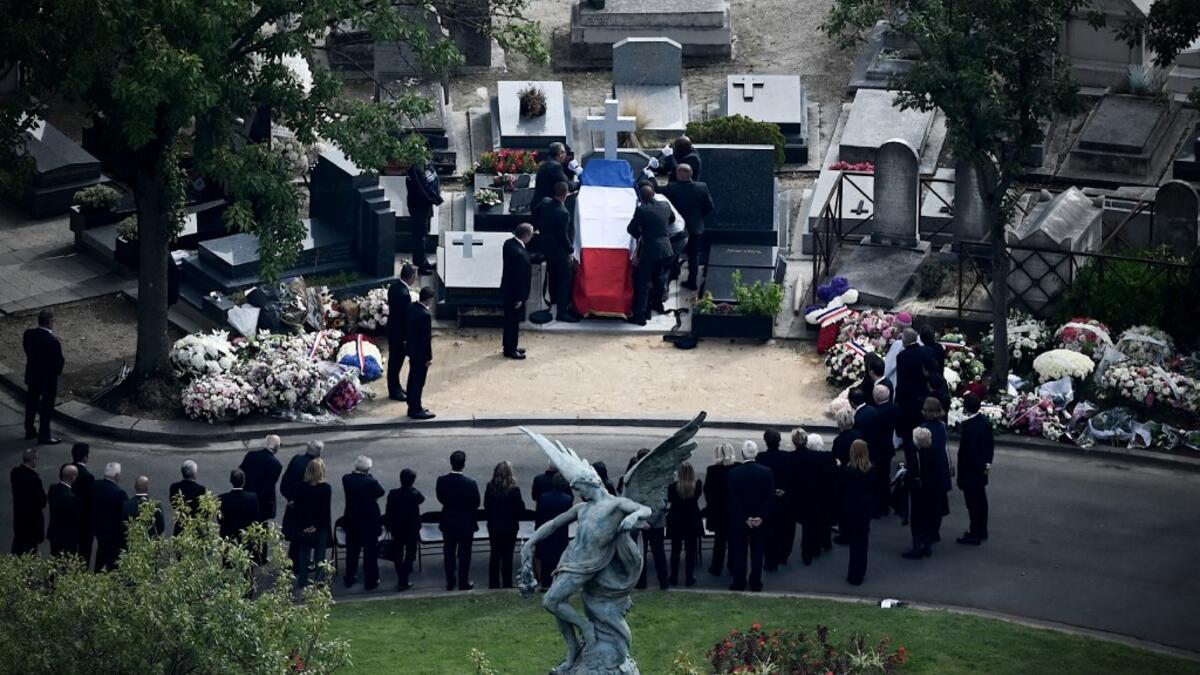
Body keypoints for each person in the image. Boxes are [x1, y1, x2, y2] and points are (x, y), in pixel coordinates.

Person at [902, 399, 951, 560]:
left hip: (922, 480)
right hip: (937, 477)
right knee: (932, 511)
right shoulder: (942, 427)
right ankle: (928, 542)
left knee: (917, 514)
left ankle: (917, 547)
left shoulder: (921, 432)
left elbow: (914, 459)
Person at [727, 441, 774, 592]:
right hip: (759, 519)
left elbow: (733, 500)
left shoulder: (734, 473)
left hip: (741, 519)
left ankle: (739, 581)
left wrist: (745, 518)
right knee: (757, 552)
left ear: (742, 454)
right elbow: (770, 497)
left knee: (740, 552)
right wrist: (761, 517)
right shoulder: (766, 471)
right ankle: (755, 582)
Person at [626, 183, 675, 325]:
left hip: (649, 251)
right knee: (659, 279)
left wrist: (641, 234)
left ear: (641, 197)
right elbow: (671, 219)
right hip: (666, 249)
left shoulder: (642, 210)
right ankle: (657, 305)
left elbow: (631, 229)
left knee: (644, 283)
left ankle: (639, 316)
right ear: (653, 193)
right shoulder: (665, 205)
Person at [659, 163, 714, 289]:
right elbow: (710, 207)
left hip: (677, 228)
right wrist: (699, 218)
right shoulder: (702, 187)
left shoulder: (671, 188)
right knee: (693, 255)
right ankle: (692, 281)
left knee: (673, 252)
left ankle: (673, 274)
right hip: (696, 227)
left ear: (678, 174)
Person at [535, 183, 581, 323]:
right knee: (565, 280)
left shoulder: (544, 202)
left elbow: (536, 214)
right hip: (559, 253)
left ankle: (553, 300)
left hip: (545, 247)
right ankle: (562, 311)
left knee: (553, 276)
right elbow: (563, 236)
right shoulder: (563, 213)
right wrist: (571, 249)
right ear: (565, 194)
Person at [436, 450, 480, 591]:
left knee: (449, 553)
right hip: (466, 523)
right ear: (464, 464)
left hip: (448, 521)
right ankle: (463, 581)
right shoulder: (470, 483)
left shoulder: (442, 481)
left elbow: (441, 498)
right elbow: (476, 502)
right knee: (465, 554)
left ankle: (450, 581)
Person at [792, 428, 836, 565]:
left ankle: (808, 555)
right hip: (819, 495)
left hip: (803, 496)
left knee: (808, 527)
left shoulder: (791, 457)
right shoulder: (819, 457)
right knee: (820, 520)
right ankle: (822, 544)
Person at [956, 394, 995, 545]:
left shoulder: (969, 428)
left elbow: (969, 453)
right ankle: (981, 530)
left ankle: (975, 533)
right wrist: (987, 465)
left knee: (973, 504)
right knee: (981, 502)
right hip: (981, 470)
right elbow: (989, 445)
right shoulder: (984, 422)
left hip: (971, 472)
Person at [342, 455, 384, 590]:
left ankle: (349, 577)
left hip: (352, 520)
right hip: (369, 521)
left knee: (352, 551)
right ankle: (371, 580)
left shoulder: (347, 479)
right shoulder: (371, 481)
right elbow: (380, 492)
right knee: (370, 552)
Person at [756, 429, 795, 571]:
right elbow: (791, 478)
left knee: (769, 530)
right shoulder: (786, 457)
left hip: (767, 498)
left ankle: (770, 559)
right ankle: (782, 555)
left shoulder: (760, 457)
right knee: (783, 528)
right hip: (782, 498)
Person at [23, 309, 64, 445]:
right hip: (47, 380)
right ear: (50, 322)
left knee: (31, 403)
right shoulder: (53, 342)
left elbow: (27, 350)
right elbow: (58, 363)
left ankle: (29, 429)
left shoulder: (29, 334)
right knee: (46, 408)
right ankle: (44, 434)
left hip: (32, 375)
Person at [485, 461, 526, 589]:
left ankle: (494, 583)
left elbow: (486, 505)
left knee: (495, 554)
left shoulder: (490, 487)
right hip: (510, 527)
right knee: (508, 555)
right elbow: (520, 509)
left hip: (494, 526)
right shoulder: (514, 490)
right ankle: (507, 582)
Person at [292, 458, 332, 588]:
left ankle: (302, 581)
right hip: (320, 526)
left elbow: (298, 509)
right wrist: (315, 526)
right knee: (320, 555)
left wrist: (305, 526)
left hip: (304, 525)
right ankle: (319, 581)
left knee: (304, 554)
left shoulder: (299, 487)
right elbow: (324, 511)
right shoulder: (325, 488)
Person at [840, 440, 874, 585]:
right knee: (862, 543)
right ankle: (859, 572)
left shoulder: (849, 471)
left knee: (854, 544)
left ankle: (853, 574)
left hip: (851, 510)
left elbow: (842, 491)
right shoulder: (870, 471)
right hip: (865, 510)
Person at [281, 440, 322, 558]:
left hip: (293, 504)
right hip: (306, 508)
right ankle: (300, 564)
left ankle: (292, 562)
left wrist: (290, 499)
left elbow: (285, 481)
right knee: (305, 536)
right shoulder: (315, 466)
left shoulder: (296, 459)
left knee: (295, 537)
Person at [385, 468, 424, 591]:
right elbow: (422, 499)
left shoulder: (393, 494)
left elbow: (388, 511)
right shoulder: (414, 494)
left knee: (398, 552)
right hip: (411, 528)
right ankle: (405, 576)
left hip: (397, 528)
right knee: (410, 552)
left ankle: (401, 574)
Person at [534, 472, 573, 590]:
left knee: (546, 560)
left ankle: (545, 584)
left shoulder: (543, 498)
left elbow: (539, 515)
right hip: (561, 534)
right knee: (559, 559)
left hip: (547, 533)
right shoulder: (568, 499)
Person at [501, 223, 535, 359]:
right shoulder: (519, 253)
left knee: (510, 321)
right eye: (531, 235)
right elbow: (519, 277)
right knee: (513, 322)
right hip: (514, 294)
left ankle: (509, 346)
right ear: (526, 236)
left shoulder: (509, 243)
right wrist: (520, 297)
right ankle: (510, 349)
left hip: (508, 289)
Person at [666, 461, 703, 587]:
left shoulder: (673, 486)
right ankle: (689, 577)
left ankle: (674, 578)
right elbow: (697, 497)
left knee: (675, 550)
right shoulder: (697, 484)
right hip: (692, 519)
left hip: (676, 519)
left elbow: (670, 500)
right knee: (690, 551)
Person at [405, 157, 444, 274]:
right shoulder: (415, 169)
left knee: (424, 234)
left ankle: (423, 260)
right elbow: (422, 188)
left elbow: (433, 180)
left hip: (425, 205)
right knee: (419, 236)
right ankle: (419, 265)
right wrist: (435, 198)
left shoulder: (425, 164)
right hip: (418, 206)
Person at [703, 442, 736, 576]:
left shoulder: (712, 470)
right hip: (733, 511)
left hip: (718, 511)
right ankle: (733, 566)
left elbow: (708, 492)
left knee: (719, 542)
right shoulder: (737, 467)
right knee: (734, 541)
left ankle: (716, 567)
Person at [894, 328, 932, 445]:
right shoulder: (926, 352)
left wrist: (897, 400)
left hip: (907, 399)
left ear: (905, 340)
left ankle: (910, 462)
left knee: (907, 435)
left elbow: (901, 381)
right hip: (922, 395)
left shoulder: (902, 356)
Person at [386, 263, 416, 401]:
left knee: (394, 362)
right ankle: (394, 390)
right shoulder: (404, 295)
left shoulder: (394, 287)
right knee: (396, 363)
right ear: (411, 277)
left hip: (392, 330)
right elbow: (405, 318)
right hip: (399, 334)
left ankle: (396, 387)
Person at [239, 434, 283, 528]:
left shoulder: (251, 455)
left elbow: (241, 473)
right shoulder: (276, 465)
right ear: (277, 447)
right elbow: (269, 487)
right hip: (261, 503)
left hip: (246, 497)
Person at [405, 287, 436, 420]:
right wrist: (428, 357)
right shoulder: (425, 315)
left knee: (412, 379)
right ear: (429, 299)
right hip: (420, 354)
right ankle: (416, 408)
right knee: (418, 381)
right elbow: (425, 339)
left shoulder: (411, 308)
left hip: (412, 351)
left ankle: (413, 405)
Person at [92, 462, 128, 572]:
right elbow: (123, 515)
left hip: (98, 528)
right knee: (112, 560)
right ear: (117, 476)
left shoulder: (95, 485)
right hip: (114, 533)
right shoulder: (119, 493)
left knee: (101, 553)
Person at [872, 384, 901, 518]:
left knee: (877, 479)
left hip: (877, 449)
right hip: (887, 447)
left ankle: (878, 507)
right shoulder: (894, 408)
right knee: (885, 477)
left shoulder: (875, 413)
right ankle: (885, 504)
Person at [11, 448, 46, 555]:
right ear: (33, 460)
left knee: (19, 544)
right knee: (29, 549)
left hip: (19, 516)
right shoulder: (34, 479)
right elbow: (41, 501)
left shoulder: (15, 472)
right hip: (32, 521)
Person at [531, 142, 578, 218]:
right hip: (544, 209)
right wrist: (580, 183)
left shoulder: (547, 164)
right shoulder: (555, 167)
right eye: (564, 152)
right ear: (560, 154)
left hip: (540, 205)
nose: (566, 155)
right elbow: (569, 186)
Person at [69, 443, 95, 566]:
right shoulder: (88, 477)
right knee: (84, 550)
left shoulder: (66, 469)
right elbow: (90, 500)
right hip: (84, 519)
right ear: (85, 457)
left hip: (70, 517)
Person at [48, 464, 81, 558]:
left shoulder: (53, 488)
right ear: (74, 477)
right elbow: (74, 520)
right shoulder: (72, 498)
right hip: (67, 538)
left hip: (54, 533)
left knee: (54, 560)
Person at [218, 469, 260, 543]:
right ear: (244, 481)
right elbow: (255, 517)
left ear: (231, 481)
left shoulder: (222, 498)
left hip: (228, 534)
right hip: (246, 535)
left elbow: (220, 519)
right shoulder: (252, 497)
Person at [168, 459, 207, 536]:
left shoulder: (174, 487)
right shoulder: (201, 489)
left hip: (180, 525)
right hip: (195, 526)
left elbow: (173, 503)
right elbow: (204, 510)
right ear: (194, 474)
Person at [122, 475, 165, 540]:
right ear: (147, 488)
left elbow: (123, 524)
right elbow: (161, 526)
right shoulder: (155, 505)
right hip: (150, 541)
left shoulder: (126, 504)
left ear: (135, 487)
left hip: (132, 540)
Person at [883, 311, 914, 386]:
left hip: (897, 379)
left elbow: (889, 367)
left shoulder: (899, 343)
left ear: (899, 327)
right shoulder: (915, 338)